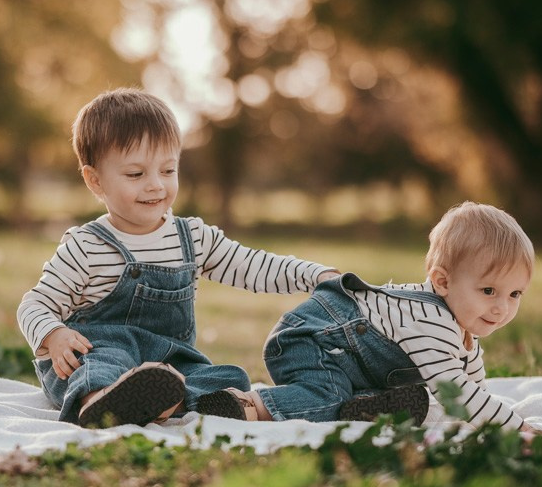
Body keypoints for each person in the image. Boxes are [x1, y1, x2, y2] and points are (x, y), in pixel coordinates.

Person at [17, 87, 339, 428]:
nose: (156, 185)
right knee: (104, 359)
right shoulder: (86, 246)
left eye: (168, 171)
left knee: (226, 377)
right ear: (95, 180)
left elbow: (252, 265)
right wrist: (54, 335)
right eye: (136, 174)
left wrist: (315, 275)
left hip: (169, 363)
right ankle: (101, 404)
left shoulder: (193, 237)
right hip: (95, 360)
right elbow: (34, 305)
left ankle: (165, 400)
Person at [210, 201, 540, 433]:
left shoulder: (463, 329)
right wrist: (517, 426)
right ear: (442, 281)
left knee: (414, 397)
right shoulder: (432, 323)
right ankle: (245, 403)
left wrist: (486, 414)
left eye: (515, 294)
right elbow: (456, 394)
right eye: (488, 291)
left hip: (345, 357)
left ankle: (369, 406)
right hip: (308, 341)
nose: (502, 308)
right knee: (328, 399)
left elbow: (472, 389)